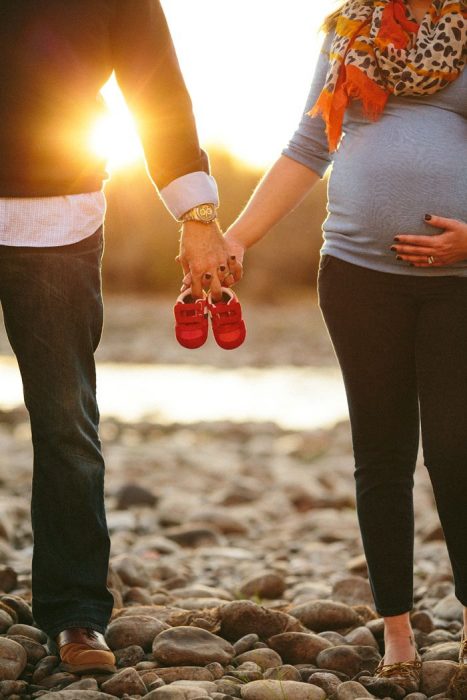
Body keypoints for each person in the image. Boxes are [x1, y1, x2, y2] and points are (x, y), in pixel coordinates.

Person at [223, 0, 467, 691]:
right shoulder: (349, 31)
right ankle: (396, 630)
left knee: (457, 449)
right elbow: (309, 145)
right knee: (381, 453)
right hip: (358, 277)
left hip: (460, 282)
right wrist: (238, 237)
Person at [0, 0, 239, 674]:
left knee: (65, 424)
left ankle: (74, 611)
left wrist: (195, 215)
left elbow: (154, 85)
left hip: (57, 221)